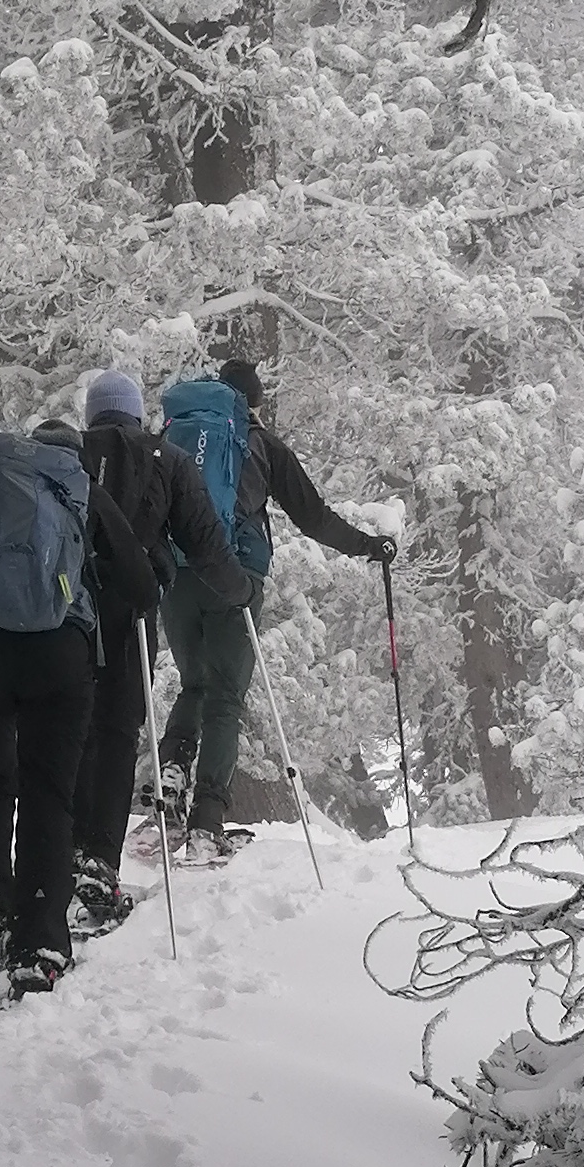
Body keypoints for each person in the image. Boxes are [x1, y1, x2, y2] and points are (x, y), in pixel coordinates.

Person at [0, 414, 156, 994]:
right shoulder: (83, 490)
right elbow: (140, 585)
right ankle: (39, 945)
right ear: (75, 456)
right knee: (49, 792)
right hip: (59, 658)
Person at [158, 353, 395, 860]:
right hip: (236, 578)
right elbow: (313, 518)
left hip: (177, 577)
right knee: (225, 695)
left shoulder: (176, 440)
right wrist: (367, 546)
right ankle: (206, 824)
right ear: (257, 402)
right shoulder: (262, 446)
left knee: (194, 685)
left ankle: (171, 777)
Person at [69, 365, 252, 933]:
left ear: (92, 412)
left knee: (67, 732)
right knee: (119, 731)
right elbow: (202, 539)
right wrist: (239, 588)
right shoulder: (163, 459)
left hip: (66, 618)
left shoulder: (64, 455)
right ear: (139, 411)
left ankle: (55, 861)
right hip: (131, 617)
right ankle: (97, 867)